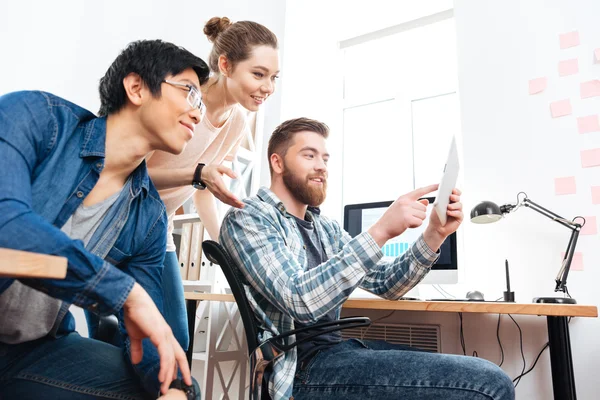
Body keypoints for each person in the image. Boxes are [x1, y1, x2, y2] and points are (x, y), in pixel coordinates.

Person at [220, 118, 515, 400]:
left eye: (325, 158)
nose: (321, 166)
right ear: (277, 162)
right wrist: (380, 231)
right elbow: (300, 300)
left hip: (336, 352)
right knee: (489, 384)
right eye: (309, 156)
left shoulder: (325, 228)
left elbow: (387, 285)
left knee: (471, 375)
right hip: (298, 370)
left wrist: (433, 236)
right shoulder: (249, 217)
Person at [0, 40, 209, 399]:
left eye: (201, 103)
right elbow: (8, 236)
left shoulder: (148, 216)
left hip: (34, 351)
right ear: (137, 87)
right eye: (189, 92)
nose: (197, 113)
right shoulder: (35, 117)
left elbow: (146, 331)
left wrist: (174, 388)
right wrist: (122, 292)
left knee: (177, 389)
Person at [146, 16, 279, 351]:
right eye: (258, 74)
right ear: (226, 65)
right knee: (143, 346)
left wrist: (226, 247)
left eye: (274, 77)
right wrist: (197, 174)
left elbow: (205, 190)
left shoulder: (238, 119)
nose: (268, 87)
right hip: (119, 224)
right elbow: (130, 176)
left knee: (177, 341)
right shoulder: (181, 102)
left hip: (158, 230)